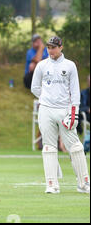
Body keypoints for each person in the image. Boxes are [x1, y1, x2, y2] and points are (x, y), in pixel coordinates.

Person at [31, 35, 90, 194]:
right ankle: (52, 184)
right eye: (49, 47)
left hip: (65, 110)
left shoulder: (70, 65)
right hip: (46, 110)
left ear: (61, 47)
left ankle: (84, 183)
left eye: (53, 47)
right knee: (49, 147)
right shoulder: (42, 65)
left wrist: (74, 113)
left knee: (76, 147)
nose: (51, 50)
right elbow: (34, 88)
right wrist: (47, 98)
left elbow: (75, 91)